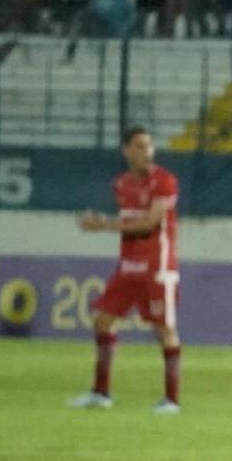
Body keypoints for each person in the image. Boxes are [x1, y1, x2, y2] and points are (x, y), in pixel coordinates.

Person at [69, 126, 182, 413]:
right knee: (102, 321)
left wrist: (103, 224)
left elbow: (148, 224)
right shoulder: (122, 184)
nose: (147, 152)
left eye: (149, 146)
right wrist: (106, 223)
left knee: (164, 330)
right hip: (128, 267)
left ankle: (171, 400)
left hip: (157, 268)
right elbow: (130, 223)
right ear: (127, 150)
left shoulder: (164, 181)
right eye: (140, 146)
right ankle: (101, 392)